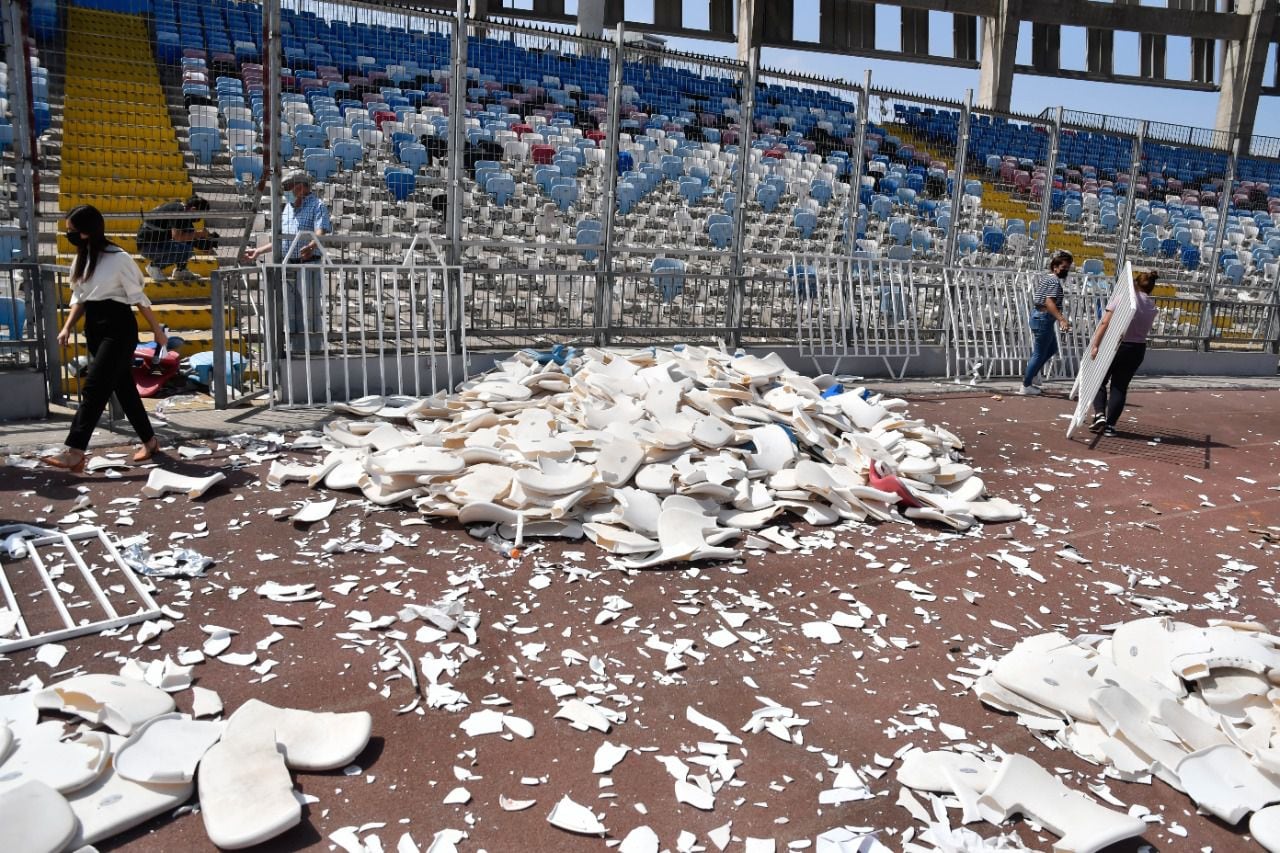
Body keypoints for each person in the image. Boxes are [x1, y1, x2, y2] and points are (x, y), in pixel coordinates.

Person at [43, 205, 167, 472]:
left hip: (119, 326)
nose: (70, 235)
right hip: (95, 327)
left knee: (95, 386)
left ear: (88, 230)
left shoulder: (118, 258)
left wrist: (156, 330)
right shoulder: (82, 259)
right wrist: (66, 327)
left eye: (73, 231)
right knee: (123, 389)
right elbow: (81, 298)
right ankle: (150, 440)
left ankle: (75, 450)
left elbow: (138, 298)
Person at [241, 171, 331, 353]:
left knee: (310, 307)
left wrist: (312, 244)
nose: (288, 191)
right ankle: (295, 349)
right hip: (287, 264)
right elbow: (280, 239)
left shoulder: (317, 205)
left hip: (308, 264)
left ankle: (314, 349)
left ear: (301, 186)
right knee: (291, 309)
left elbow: (322, 230)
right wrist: (259, 250)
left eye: (290, 187)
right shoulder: (288, 208)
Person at [1088, 270, 1160, 436]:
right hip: (1137, 349)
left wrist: (1095, 345)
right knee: (1119, 387)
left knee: (1099, 379)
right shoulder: (1151, 304)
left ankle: (1099, 414)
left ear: (1134, 284)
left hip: (1117, 345)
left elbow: (1105, 322)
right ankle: (1111, 425)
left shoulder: (1123, 299)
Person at [1019, 249, 1074, 395]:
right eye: (1063, 268)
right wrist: (1061, 319)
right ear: (1055, 267)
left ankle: (1034, 374)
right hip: (1043, 318)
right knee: (1038, 353)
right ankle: (1026, 385)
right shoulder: (1054, 281)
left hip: (1041, 317)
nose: (1066, 270)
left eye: (1068, 268)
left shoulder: (1048, 278)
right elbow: (1049, 302)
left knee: (1051, 349)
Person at [136, 195, 215, 282]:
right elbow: (177, 237)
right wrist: (201, 234)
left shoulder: (184, 212)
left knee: (187, 244)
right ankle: (154, 267)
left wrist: (206, 246)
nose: (200, 219)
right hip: (148, 245)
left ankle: (180, 270)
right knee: (186, 249)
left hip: (157, 243)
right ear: (193, 210)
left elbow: (191, 237)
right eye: (200, 215)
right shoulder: (179, 212)